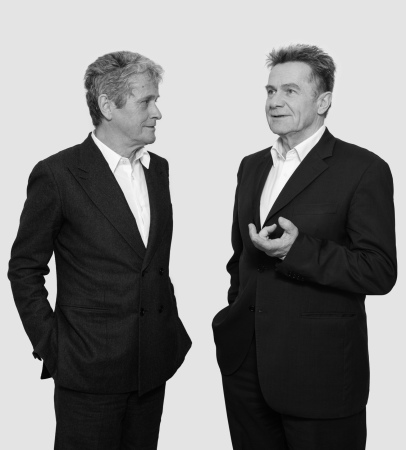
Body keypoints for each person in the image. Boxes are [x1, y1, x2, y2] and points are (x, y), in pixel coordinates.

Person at [212, 44, 397, 450]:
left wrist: (296, 252)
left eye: (290, 91)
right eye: (270, 91)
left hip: (320, 374)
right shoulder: (251, 165)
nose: (274, 101)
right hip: (246, 369)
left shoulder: (364, 169)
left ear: (323, 101)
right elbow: (240, 256)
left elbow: (379, 270)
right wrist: (232, 315)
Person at [8, 50, 191, 450]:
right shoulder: (57, 174)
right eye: (146, 101)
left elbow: (151, 263)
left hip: (152, 364)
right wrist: (54, 346)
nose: (158, 112)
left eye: (156, 100)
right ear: (108, 106)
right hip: (87, 370)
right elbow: (24, 268)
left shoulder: (157, 169)